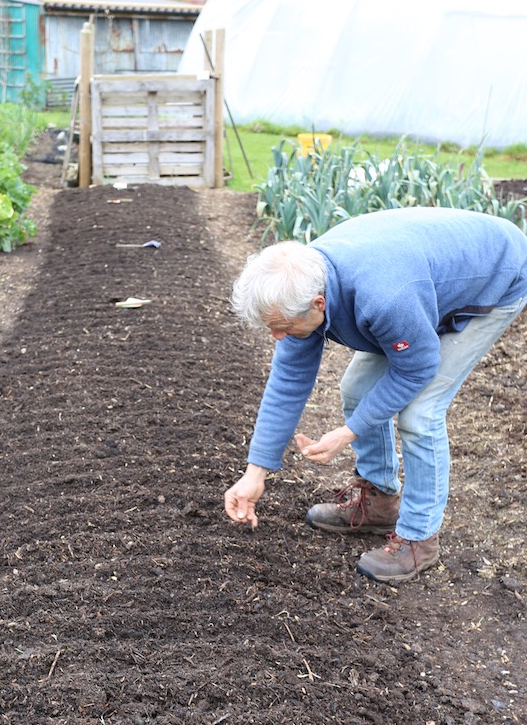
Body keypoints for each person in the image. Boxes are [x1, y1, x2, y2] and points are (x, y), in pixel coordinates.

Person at [224, 206, 527, 584]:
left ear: (319, 304)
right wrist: (255, 473)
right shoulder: (300, 285)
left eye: (283, 327)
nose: (278, 338)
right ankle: (380, 500)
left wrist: (348, 431)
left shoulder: (382, 297)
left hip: (497, 276)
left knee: (419, 413)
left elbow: (417, 366)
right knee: (356, 388)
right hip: (419, 282)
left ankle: (419, 538)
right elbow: (288, 381)